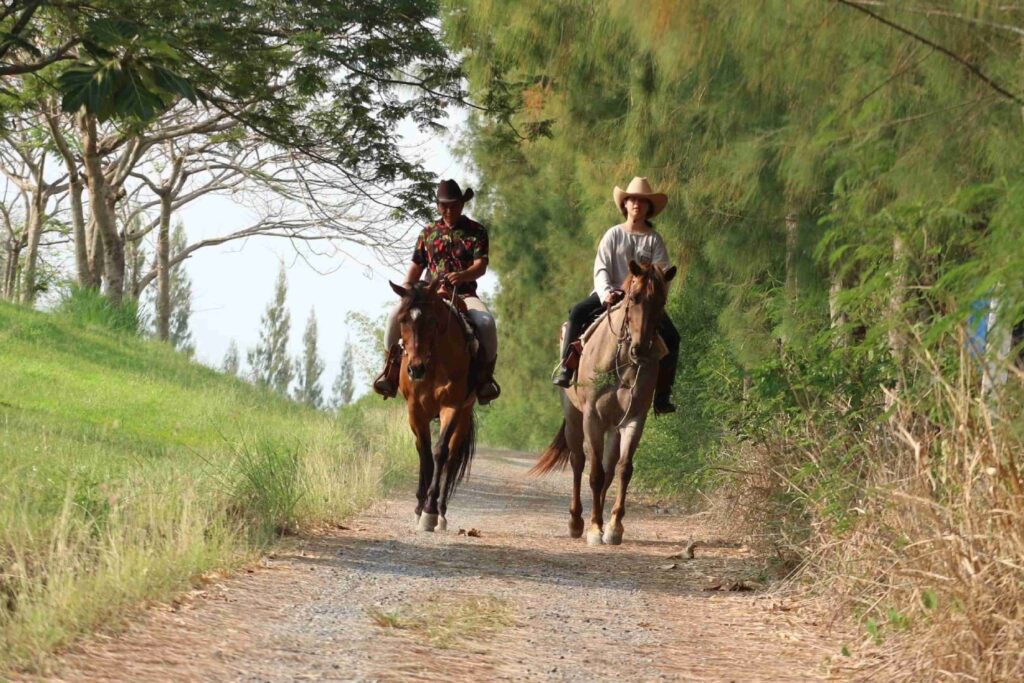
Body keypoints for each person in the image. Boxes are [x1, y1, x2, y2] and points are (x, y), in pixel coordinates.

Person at [552, 176, 680, 415]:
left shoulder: (654, 239)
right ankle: (567, 369)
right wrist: (605, 293)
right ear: (625, 204)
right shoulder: (613, 235)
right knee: (577, 313)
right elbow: (601, 268)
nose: (636, 204)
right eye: (632, 199)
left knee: (673, 337)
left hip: (642, 301)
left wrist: (653, 299)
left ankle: (662, 395)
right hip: (611, 294)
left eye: (642, 201)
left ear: (648, 207)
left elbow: (662, 273)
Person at [373, 179, 501, 404]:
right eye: (443, 205)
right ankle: (390, 373)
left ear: (462, 205)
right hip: (428, 296)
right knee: (394, 317)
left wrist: (462, 275)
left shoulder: (476, 232)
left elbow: (480, 266)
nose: (448, 210)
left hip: (464, 294)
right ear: (437, 206)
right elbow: (416, 265)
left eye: (453, 205)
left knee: (486, 323)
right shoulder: (428, 232)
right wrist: (406, 291)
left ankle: (484, 380)